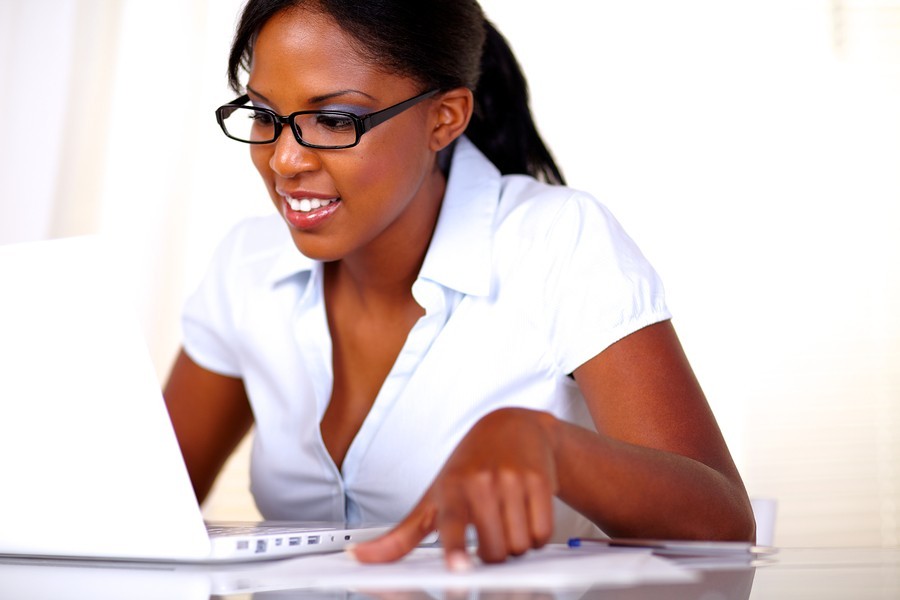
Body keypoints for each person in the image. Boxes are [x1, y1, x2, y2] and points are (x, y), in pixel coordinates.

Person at [164, 0, 755, 571]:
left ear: (444, 118)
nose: (284, 161)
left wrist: (553, 449)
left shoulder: (556, 242)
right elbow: (141, 500)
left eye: (335, 119)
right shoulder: (246, 266)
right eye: (266, 116)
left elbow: (725, 525)